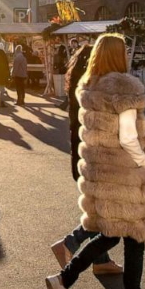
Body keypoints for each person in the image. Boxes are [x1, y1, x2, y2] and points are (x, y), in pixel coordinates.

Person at [45, 34, 145, 289]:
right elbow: (128, 136)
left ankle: (64, 279)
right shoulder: (123, 87)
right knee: (135, 237)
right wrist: (144, 163)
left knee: (110, 233)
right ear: (119, 55)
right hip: (125, 175)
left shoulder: (90, 87)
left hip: (102, 173)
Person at [52, 37, 122, 276]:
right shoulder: (97, 87)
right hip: (98, 158)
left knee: (99, 210)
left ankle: (101, 260)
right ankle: (70, 243)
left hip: (82, 154)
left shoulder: (81, 84)